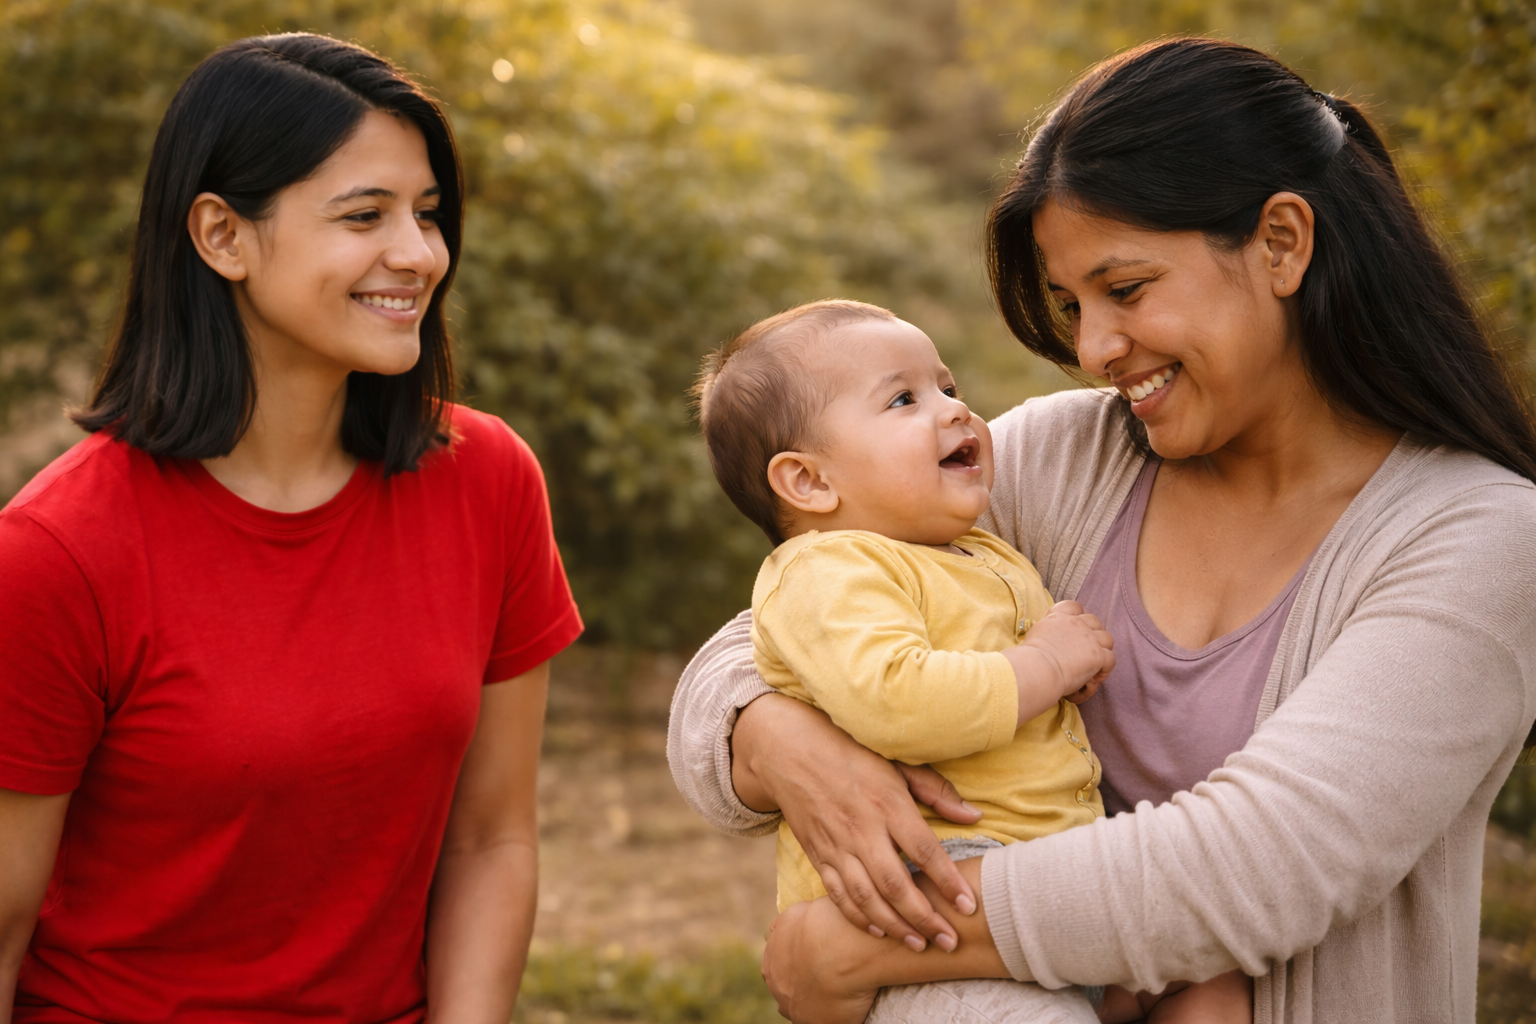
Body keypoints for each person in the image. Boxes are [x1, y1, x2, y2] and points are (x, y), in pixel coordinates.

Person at [666, 37, 1536, 1024]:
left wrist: (862, 941)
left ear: (1283, 242)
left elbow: (1259, 867)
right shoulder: (1060, 459)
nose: (1091, 348)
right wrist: (781, 738)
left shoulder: (1479, 538)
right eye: (1072, 303)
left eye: (1125, 290)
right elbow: (772, 630)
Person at [0, 34, 582, 1024]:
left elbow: (490, 838)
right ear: (222, 235)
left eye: (429, 214)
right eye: (365, 215)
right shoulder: (55, 553)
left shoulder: (488, 481)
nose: (421, 253)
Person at [694, 298, 1121, 1022]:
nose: (954, 412)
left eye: (949, 388)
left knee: (1215, 986)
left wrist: (1052, 679)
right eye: (904, 399)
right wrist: (1043, 666)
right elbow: (900, 700)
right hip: (926, 898)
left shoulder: (962, 546)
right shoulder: (827, 571)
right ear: (808, 482)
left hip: (1034, 879)